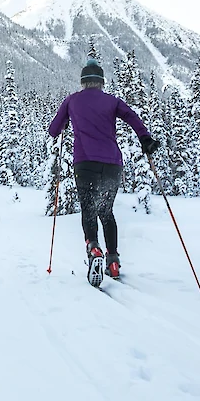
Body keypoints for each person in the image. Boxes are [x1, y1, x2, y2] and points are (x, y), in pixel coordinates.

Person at [48, 59, 159, 286]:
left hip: (85, 163)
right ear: (101, 82)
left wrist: (67, 123)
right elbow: (132, 118)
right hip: (111, 164)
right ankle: (113, 261)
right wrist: (145, 139)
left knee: (88, 209)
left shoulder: (72, 101)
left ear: (83, 82)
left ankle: (94, 250)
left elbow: (53, 130)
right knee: (106, 212)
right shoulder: (112, 101)